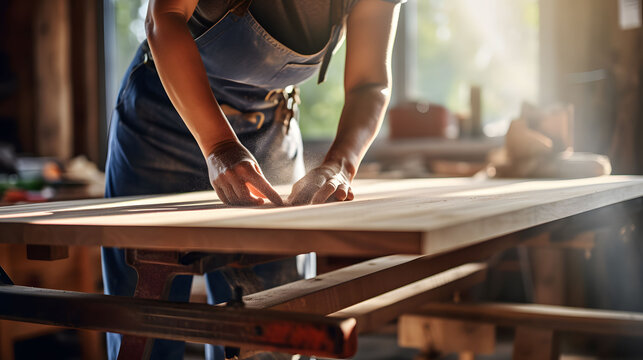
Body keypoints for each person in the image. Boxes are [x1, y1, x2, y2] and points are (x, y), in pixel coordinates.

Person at [102, 0, 403, 358]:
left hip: (269, 128)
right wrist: (219, 145)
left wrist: (339, 164)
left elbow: (369, 85)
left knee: (272, 332)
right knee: (146, 329)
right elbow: (162, 18)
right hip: (162, 123)